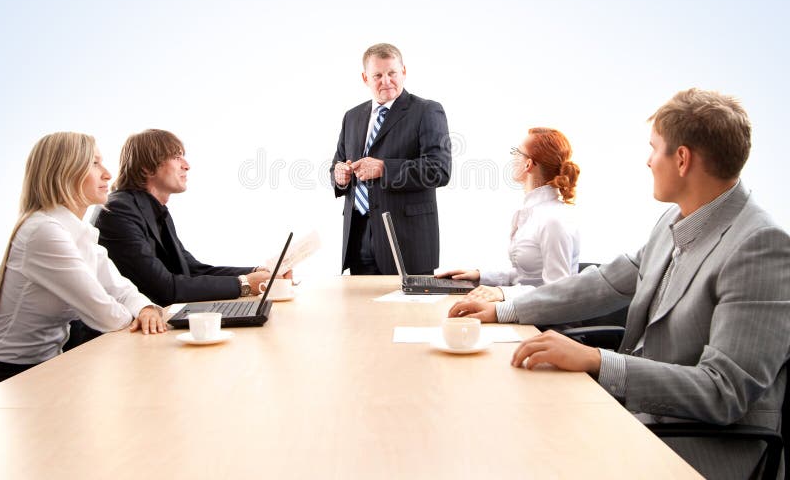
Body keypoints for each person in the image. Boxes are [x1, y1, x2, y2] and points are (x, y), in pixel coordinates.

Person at [448, 88, 790, 479]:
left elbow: (723, 392)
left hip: (700, 447)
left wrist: (598, 361)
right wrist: (504, 309)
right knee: (505, 421)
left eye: (654, 148)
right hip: (645, 417)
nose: (647, 161)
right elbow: (607, 282)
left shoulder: (760, 247)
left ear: (681, 159)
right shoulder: (674, 221)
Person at [0, 132, 165, 383]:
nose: (107, 174)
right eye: (94, 163)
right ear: (63, 172)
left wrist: (145, 308)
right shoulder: (44, 231)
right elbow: (105, 313)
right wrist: (139, 317)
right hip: (9, 375)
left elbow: (122, 289)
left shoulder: (76, 231)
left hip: (48, 364)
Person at [93, 129, 288, 307]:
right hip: (115, 336)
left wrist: (256, 272)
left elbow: (192, 270)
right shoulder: (118, 210)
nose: (187, 166)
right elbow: (164, 289)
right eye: (176, 157)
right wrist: (245, 284)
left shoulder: (156, 212)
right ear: (146, 168)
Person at [331, 43, 451, 275]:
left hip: (407, 242)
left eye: (392, 73)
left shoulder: (427, 111)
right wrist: (340, 176)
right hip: (359, 239)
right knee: (360, 312)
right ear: (365, 78)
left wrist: (385, 168)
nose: (386, 81)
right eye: (378, 75)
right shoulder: (352, 117)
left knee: (409, 313)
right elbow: (337, 165)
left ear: (403, 72)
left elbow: (439, 169)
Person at [436, 127, 580, 301]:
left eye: (516, 152)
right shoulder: (532, 213)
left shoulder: (553, 220)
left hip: (545, 324)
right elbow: (525, 276)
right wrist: (480, 276)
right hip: (526, 311)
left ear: (528, 164)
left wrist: (503, 293)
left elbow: (557, 292)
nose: (513, 157)